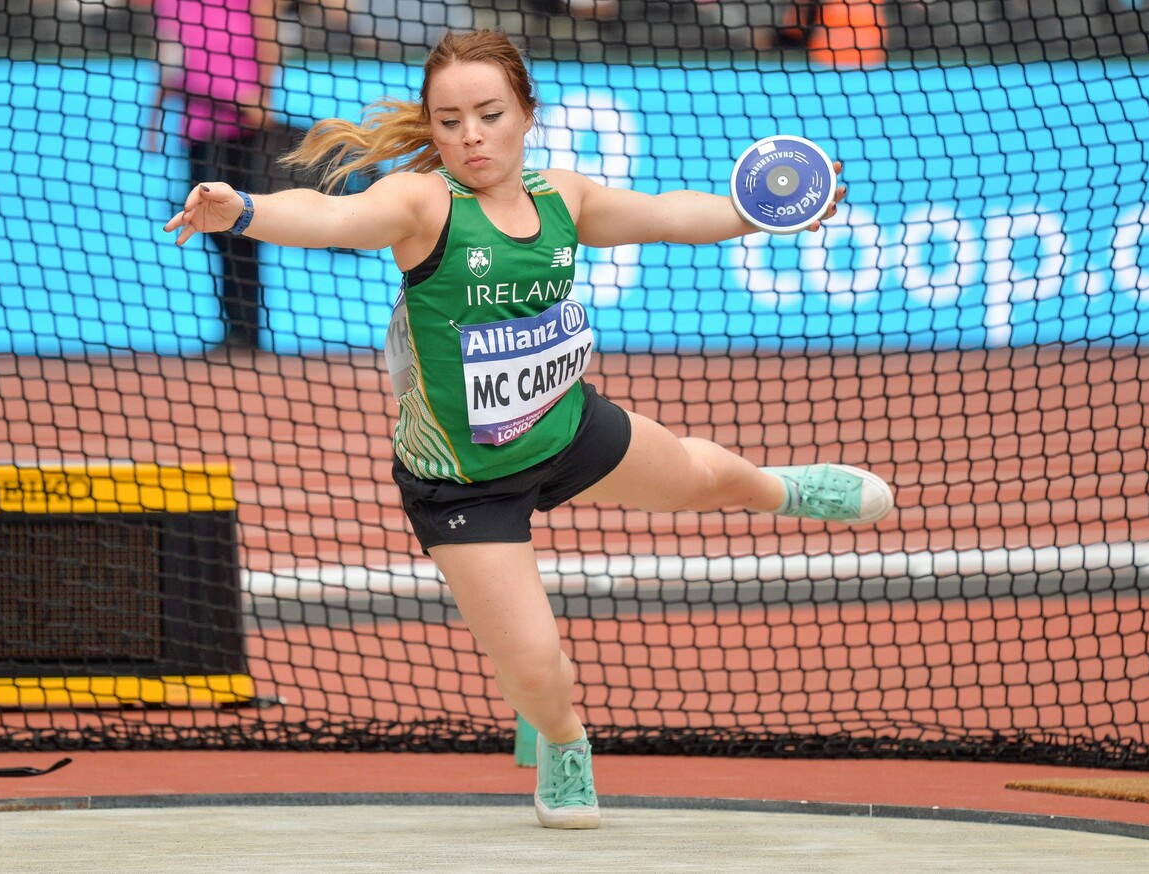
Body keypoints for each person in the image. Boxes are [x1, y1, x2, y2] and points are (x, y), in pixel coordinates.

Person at [164, 28, 893, 829]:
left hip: (564, 425)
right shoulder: (422, 203)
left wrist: (762, 213)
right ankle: (562, 740)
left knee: (702, 478)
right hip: (463, 484)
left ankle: (783, 489)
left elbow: (665, 214)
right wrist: (247, 210)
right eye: (449, 121)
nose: (470, 136)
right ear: (433, 128)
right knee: (540, 669)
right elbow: (335, 216)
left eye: (489, 114)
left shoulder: (562, 198)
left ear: (526, 115)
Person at [146, 0, 282, 350]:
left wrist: (264, 97)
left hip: (243, 129)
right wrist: (155, 117)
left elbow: (267, 37)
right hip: (199, 131)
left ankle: (247, 331)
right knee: (213, 230)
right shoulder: (168, 4)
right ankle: (235, 329)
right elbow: (170, 62)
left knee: (244, 228)